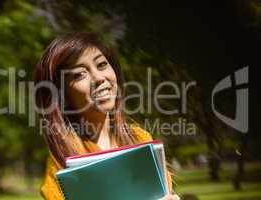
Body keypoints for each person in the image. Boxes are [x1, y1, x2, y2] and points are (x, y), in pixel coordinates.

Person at [35, 32, 180, 200]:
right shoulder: (62, 160)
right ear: (62, 95)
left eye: (102, 64)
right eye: (80, 74)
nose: (98, 78)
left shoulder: (141, 138)